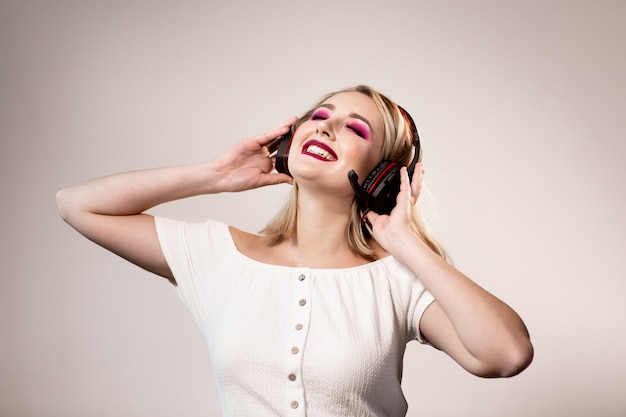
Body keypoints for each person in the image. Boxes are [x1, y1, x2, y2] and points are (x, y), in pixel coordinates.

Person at [56, 85, 533, 416]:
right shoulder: (218, 256)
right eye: (320, 116)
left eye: (355, 130)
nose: (325, 128)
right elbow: (78, 206)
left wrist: (404, 242)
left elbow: (506, 354)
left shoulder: (395, 279)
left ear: (381, 178)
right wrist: (215, 177)